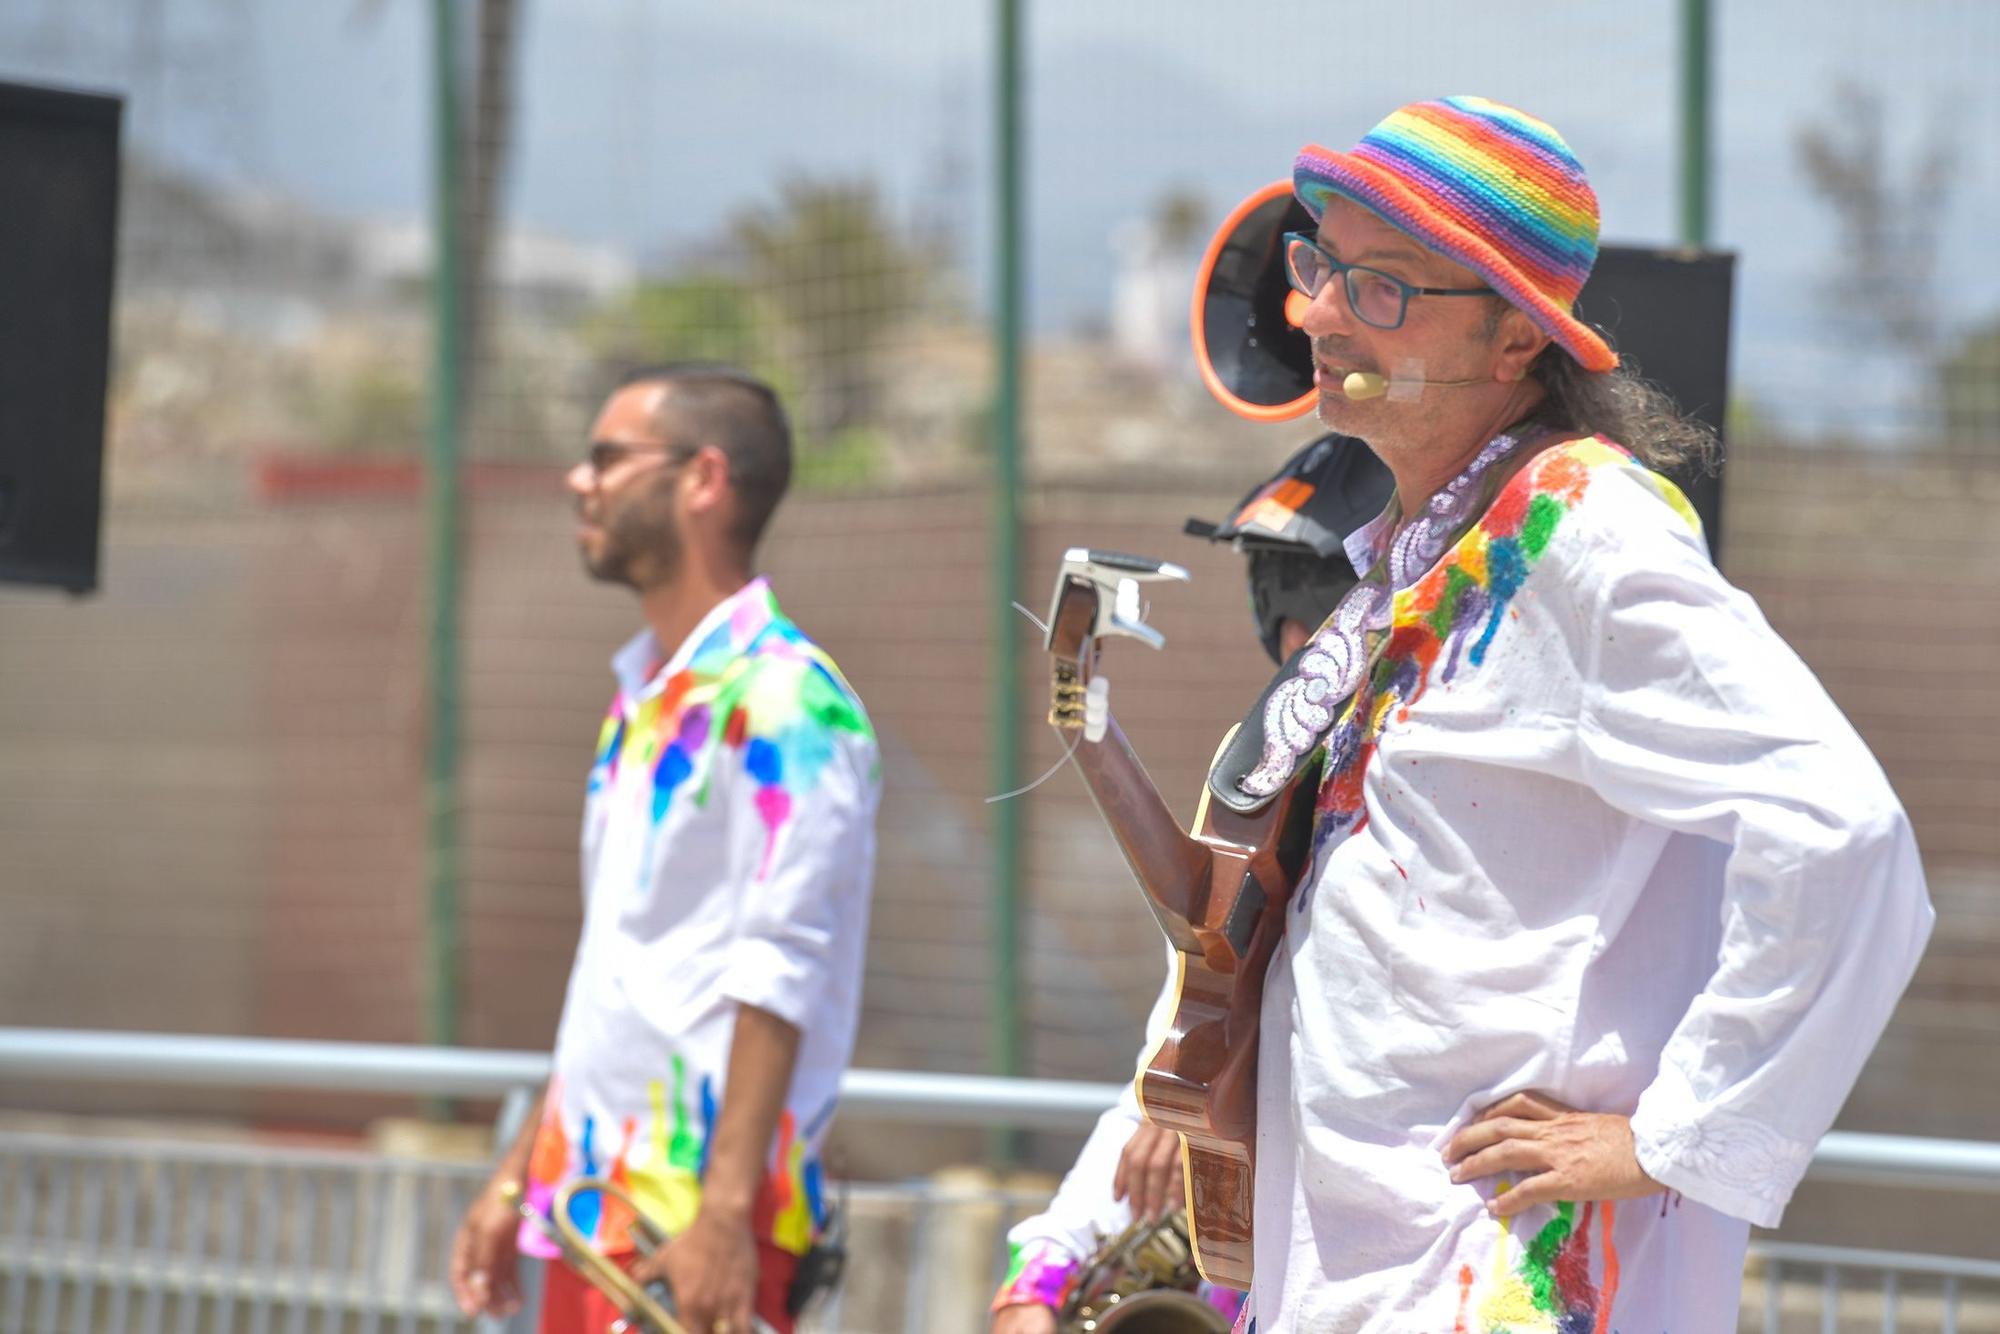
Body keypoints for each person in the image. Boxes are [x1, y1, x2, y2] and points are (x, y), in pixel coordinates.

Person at [1208, 98, 1933, 1331]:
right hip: (1375, 1256)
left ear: (1510, 343)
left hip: (1493, 1272)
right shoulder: (1426, 544)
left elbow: (1841, 831)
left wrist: (1677, 1134)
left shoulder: (1585, 533)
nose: (1316, 313)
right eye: (1316, 263)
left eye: (1378, 287)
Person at [448, 365, 880, 1334]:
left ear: (703, 477)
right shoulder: (645, 693)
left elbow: (783, 966)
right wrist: (517, 1177)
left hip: (698, 1231)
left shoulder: (785, 697)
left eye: (608, 457)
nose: (579, 480)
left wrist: (724, 1212)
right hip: (590, 1210)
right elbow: (617, 968)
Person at [990, 435, 1393, 1332]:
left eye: (1311, 593)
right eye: (1272, 592)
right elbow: (1184, 1045)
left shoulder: (1407, 789)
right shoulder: (1263, 782)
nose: (1292, 631)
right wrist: (1044, 1273)